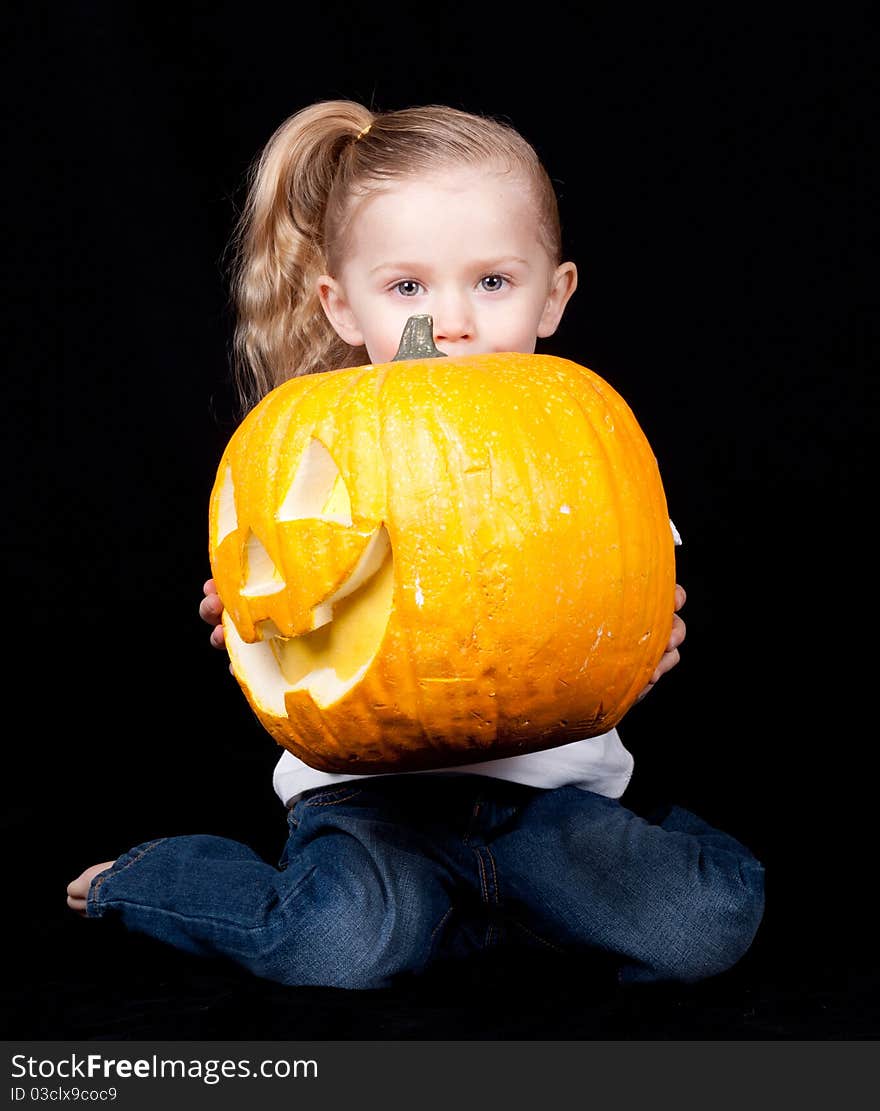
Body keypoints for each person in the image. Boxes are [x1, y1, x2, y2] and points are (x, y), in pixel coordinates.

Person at [67, 100, 764, 990]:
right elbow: (281, 595)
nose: (452, 321)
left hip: (552, 809)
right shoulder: (312, 452)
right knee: (336, 944)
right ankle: (154, 877)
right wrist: (250, 614)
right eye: (407, 288)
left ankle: (507, 905)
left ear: (554, 295)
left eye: (493, 282)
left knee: (701, 926)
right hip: (368, 808)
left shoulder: (578, 439)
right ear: (340, 305)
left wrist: (646, 647)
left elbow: (627, 594)